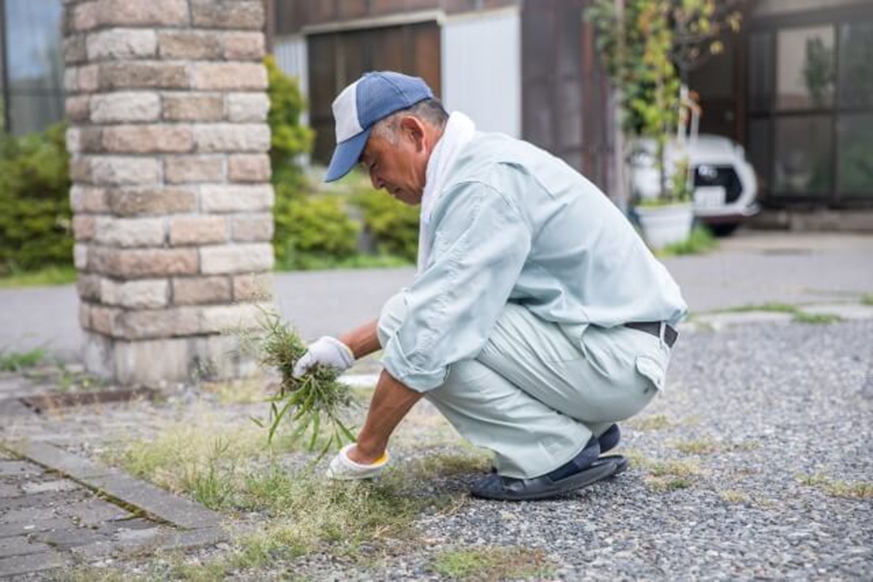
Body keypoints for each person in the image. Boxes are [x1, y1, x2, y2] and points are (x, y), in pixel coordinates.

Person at [293, 71, 687, 501]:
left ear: (412, 133)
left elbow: (429, 328)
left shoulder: (482, 186)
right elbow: (439, 296)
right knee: (425, 315)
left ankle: (551, 450)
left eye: (372, 162)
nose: (375, 182)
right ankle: (578, 429)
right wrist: (344, 348)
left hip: (616, 361)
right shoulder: (479, 164)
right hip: (612, 346)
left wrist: (365, 452)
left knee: (426, 329)